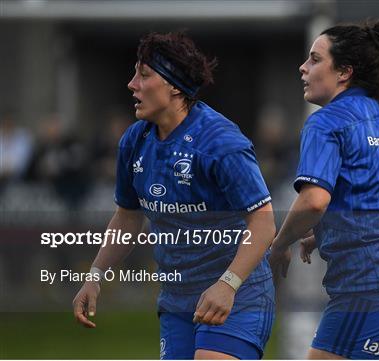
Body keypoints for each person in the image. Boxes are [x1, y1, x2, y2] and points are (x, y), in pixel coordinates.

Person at [72, 31, 276, 360]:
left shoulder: (221, 143)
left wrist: (228, 284)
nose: (131, 84)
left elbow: (264, 223)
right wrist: (95, 277)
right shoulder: (134, 142)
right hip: (177, 301)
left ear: (174, 85)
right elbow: (127, 216)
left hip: (238, 296)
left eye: (144, 75)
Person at [269, 19, 379, 360]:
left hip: (373, 287)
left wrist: (279, 244)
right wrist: (328, 232)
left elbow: (314, 201)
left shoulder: (326, 121)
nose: (303, 67)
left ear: (344, 72)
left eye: (316, 59)